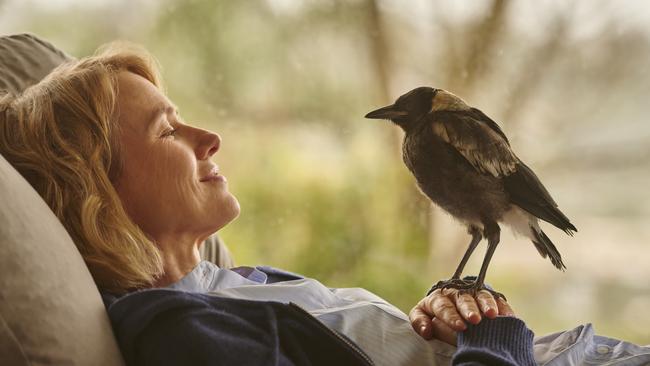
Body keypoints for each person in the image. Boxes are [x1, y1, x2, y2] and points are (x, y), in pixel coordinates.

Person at [0, 42, 646, 366]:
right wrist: (492, 336)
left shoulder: (239, 284)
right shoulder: (182, 326)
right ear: (96, 190)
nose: (209, 137)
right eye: (168, 131)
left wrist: (431, 321)